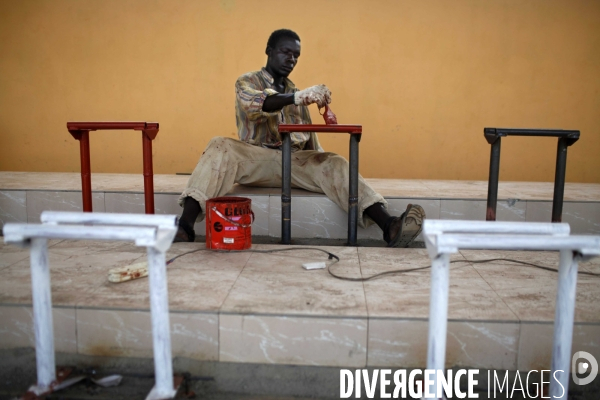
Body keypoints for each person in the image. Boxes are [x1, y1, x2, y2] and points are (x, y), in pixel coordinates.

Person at [175, 28, 425, 246]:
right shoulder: (248, 81)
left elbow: (309, 143)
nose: (291, 59)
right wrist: (299, 97)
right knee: (220, 145)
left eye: (296, 55)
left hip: (293, 162)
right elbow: (257, 105)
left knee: (334, 162)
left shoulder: (298, 93)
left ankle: (390, 227)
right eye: (286, 52)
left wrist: (322, 160)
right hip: (255, 160)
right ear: (269, 50)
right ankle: (184, 227)